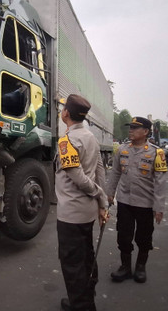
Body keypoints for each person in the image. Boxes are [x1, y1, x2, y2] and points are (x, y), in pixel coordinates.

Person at [56, 94, 109, 311]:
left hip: (71, 214)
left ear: (66, 113)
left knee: (72, 263)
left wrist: (99, 195)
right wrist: (102, 202)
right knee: (86, 256)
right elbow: (99, 170)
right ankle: (87, 297)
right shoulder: (90, 137)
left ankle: (82, 306)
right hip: (86, 212)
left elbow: (77, 177)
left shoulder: (66, 141)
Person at [107, 117, 167, 284]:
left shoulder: (157, 153)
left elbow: (160, 182)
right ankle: (125, 267)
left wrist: (159, 207)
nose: (131, 130)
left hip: (145, 204)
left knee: (144, 237)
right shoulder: (122, 149)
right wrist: (110, 193)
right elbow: (115, 173)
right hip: (125, 201)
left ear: (146, 132)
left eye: (135, 128)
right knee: (123, 236)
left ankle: (141, 266)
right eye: (130, 127)